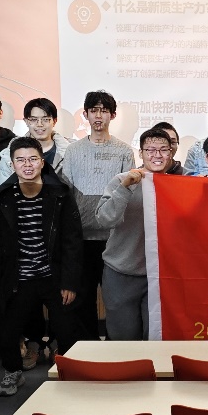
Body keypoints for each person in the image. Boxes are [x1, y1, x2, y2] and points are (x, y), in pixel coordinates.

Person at [0, 138, 84, 397]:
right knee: (7, 333)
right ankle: (12, 372)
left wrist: (69, 282)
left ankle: (69, 371)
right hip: (18, 277)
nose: (27, 165)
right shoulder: (2, 198)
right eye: (20, 160)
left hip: (54, 276)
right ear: (12, 164)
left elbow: (72, 242)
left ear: (42, 162)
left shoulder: (60, 194)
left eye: (32, 159)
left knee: (67, 330)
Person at [58, 91, 135, 340]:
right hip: (81, 238)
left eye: (104, 110)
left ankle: (114, 349)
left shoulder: (124, 151)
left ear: (113, 115)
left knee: (115, 299)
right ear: (86, 114)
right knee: (82, 298)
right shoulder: (73, 151)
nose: (98, 116)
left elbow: (128, 193)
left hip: (114, 238)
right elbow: (66, 193)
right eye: (93, 110)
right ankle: (88, 349)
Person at [95, 128, 177, 341]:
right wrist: (125, 188)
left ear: (171, 153)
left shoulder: (179, 184)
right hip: (122, 272)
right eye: (150, 150)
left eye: (163, 150)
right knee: (124, 339)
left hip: (160, 276)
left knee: (157, 337)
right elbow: (104, 219)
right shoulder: (123, 180)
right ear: (141, 153)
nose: (157, 155)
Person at [0, 98, 70, 185]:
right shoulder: (10, 153)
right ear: (26, 121)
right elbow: (4, 188)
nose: (40, 124)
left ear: (54, 121)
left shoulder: (70, 152)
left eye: (45, 119)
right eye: (34, 120)